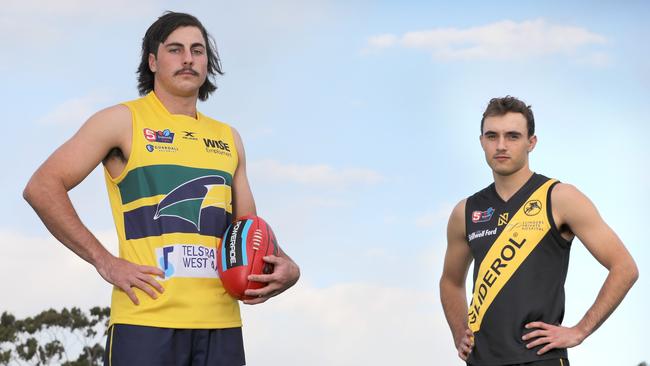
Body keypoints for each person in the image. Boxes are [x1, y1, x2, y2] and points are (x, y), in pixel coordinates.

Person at [23, 11, 300, 366]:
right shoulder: (121, 121)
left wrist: (287, 267)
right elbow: (42, 186)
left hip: (221, 323)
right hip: (146, 321)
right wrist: (105, 262)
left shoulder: (228, 138)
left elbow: (248, 230)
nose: (188, 58)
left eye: (198, 51)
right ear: (152, 61)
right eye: (175, 49)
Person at [439, 96, 638, 366]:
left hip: (540, 359)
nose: (500, 145)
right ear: (481, 141)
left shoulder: (559, 198)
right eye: (492, 136)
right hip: (480, 361)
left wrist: (580, 331)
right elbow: (450, 282)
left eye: (512, 136)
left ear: (531, 142)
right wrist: (458, 332)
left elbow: (624, 267)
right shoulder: (465, 211)